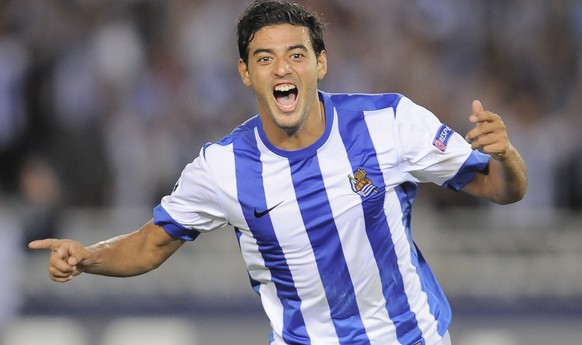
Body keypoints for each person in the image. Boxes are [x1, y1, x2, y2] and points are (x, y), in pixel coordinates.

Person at [28, 1, 527, 344]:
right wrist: (87, 257)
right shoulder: (222, 167)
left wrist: (505, 156)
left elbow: (501, 189)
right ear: (246, 73)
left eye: (296, 55)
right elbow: (150, 245)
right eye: (265, 59)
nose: (283, 70)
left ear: (321, 64)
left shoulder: (389, 122)